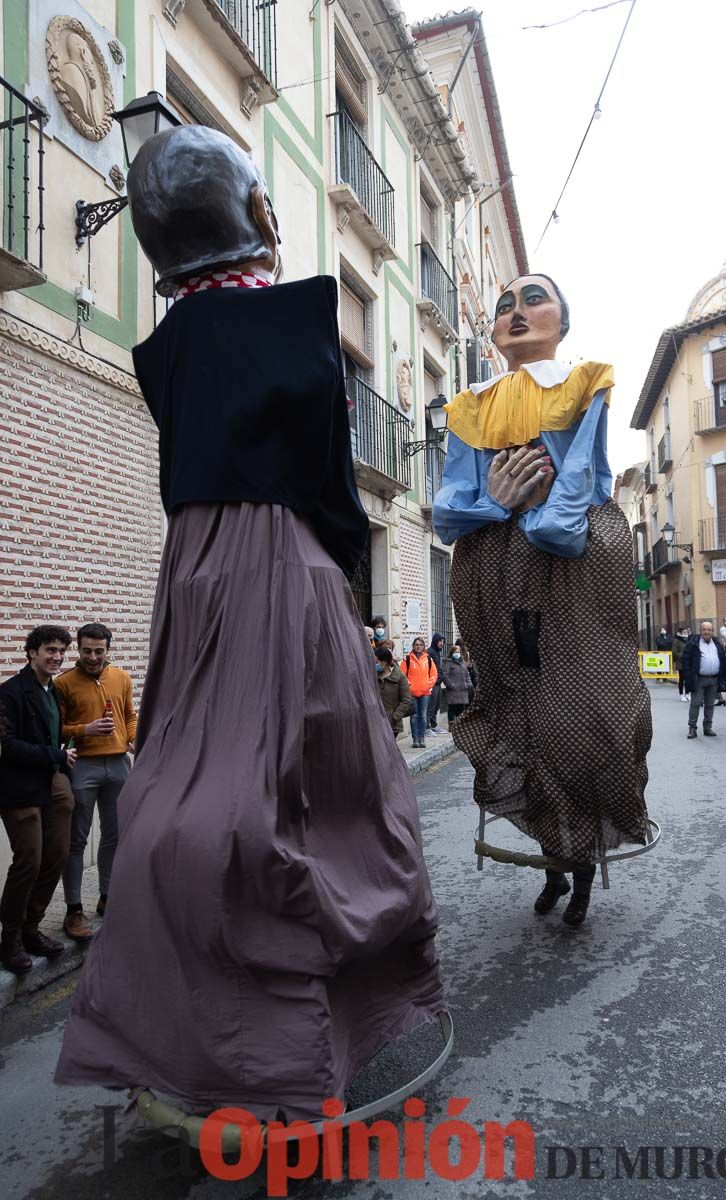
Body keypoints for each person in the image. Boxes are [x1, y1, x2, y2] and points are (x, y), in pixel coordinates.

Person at [55, 125, 444, 1121]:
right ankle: (312, 1041)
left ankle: (199, 1030)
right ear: (260, 217)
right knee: (323, 796)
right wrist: (343, 565)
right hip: (285, 566)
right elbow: (327, 480)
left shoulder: (165, 349)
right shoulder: (290, 324)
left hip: (193, 570)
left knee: (202, 777)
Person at [433, 273, 651, 927]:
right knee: (516, 715)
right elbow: (449, 507)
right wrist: (490, 502)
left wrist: (541, 520)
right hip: (495, 572)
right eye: (504, 306)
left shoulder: (584, 382)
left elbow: (580, 474)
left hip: (570, 563)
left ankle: (579, 862)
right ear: (494, 331)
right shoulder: (471, 407)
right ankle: (558, 858)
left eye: (534, 299)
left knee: (582, 715)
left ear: (562, 318)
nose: (517, 311)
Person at [0, 626, 77, 974]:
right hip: (19, 788)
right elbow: (8, 746)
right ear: (31, 652)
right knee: (28, 861)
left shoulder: (53, 691)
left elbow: (52, 732)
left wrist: (64, 751)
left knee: (57, 855)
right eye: (49, 649)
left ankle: (32, 928)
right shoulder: (10, 692)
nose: (57, 656)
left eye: (61, 650)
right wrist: (55, 755)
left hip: (52, 782)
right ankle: (9, 941)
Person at [55, 622, 137, 941]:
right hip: (83, 766)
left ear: (108, 649)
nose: (92, 657)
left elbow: (129, 714)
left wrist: (133, 737)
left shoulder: (122, 677)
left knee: (115, 836)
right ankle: (73, 910)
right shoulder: (64, 683)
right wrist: (83, 730)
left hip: (119, 764)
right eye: (86, 650)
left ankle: (107, 898)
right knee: (75, 840)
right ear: (78, 648)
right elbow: (57, 729)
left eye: (98, 651)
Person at [681, 621, 726, 739]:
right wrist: (688, 676)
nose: (707, 632)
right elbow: (685, 660)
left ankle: (707, 727)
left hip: (713, 679)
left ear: (712, 631)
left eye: (709, 630)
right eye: (704, 629)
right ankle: (692, 728)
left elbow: (723, 659)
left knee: (710, 705)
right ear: (700, 631)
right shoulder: (693, 643)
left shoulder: (717, 643)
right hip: (699, 679)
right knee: (695, 704)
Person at [400, 636, 438, 748]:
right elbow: (402, 675)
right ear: (413, 646)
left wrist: (428, 685)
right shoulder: (407, 659)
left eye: (420, 645)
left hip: (425, 693)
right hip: (411, 693)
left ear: (423, 647)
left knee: (423, 715)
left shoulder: (429, 659)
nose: (418, 646)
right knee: (414, 716)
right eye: (416, 644)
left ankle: (422, 738)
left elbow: (434, 674)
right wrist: (409, 686)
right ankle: (415, 739)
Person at [375, 646, 412, 738]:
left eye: (377, 662)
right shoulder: (373, 675)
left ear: (384, 661)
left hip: (392, 722)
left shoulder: (400, 676)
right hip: (376, 720)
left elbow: (406, 700)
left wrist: (395, 717)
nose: (375, 664)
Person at [439, 644, 473, 724]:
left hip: (463, 690)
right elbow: (445, 676)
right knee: (452, 708)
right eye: (455, 651)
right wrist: (451, 685)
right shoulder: (448, 662)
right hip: (453, 690)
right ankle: (451, 725)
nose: (457, 653)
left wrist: (469, 684)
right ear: (452, 653)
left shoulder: (463, 663)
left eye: (458, 652)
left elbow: (467, 674)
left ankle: (459, 725)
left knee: (461, 708)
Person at [426, 632, 446, 734]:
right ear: (435, 641)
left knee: (436, 706)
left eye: (443, 641)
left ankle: (434, 725)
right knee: (431, 706)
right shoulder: (430, 652)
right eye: (440, 641)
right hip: (433, 684)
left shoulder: (437, 652)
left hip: (438, 683)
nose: (442, 643)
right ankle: (427, 727)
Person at [673, 626, 691, 702]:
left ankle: (687, 694)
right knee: (682, 679)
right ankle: (681, 695)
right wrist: (683, 655)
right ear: (680, 633)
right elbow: (674, 652)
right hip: (681, 663)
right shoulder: (677, 640)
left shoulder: (689, 640)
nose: (685, 633)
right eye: (684, 632)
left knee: (688, 679)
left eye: (686, 632)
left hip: (688, 663)